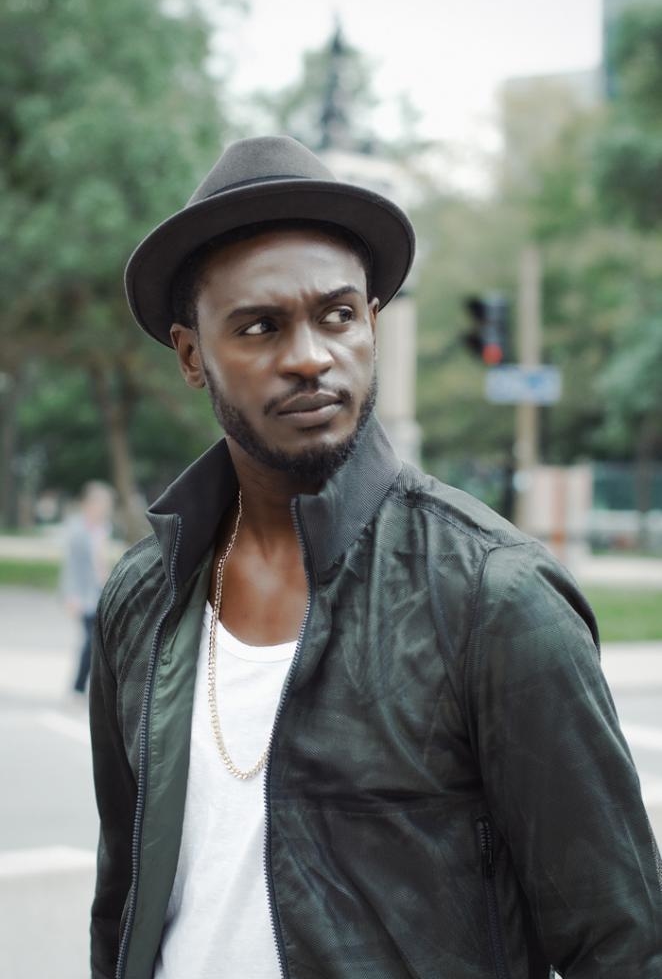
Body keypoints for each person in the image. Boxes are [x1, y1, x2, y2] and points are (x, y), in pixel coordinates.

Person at [89, 135, 662, 979]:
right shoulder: (144, 597)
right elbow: (124, 901)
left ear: (372, 324)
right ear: (191, 356)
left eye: (338, 315)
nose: (310, 357)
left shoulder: (493, 597)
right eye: (260, 326)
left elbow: (624, 946)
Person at [61, 480, 113, 694]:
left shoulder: (102, 529)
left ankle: (91, 688)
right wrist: (71, 596)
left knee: (99, 641)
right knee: (92, 641)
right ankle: (79, 687)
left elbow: (101, 561)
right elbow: (71, 566)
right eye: (100, 504)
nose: (103, 509)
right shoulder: (77, 529)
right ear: (88, 504)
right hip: (83, 595)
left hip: (100, 591)